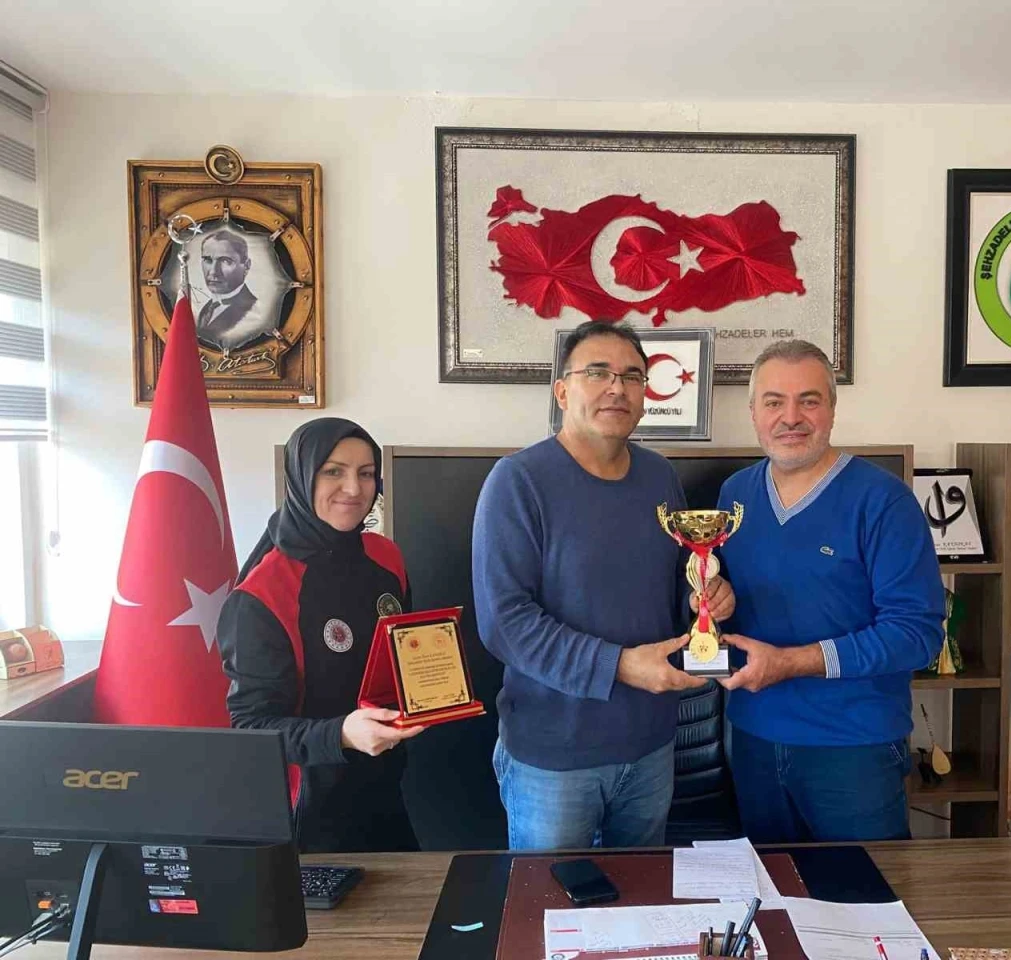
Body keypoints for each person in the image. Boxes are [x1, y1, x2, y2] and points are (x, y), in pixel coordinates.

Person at [472, 320, 732, 851]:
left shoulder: (659, 477)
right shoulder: (517, 481)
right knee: (551, 898)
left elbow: (672, 585)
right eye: (597, 373)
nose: (617, 387)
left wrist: (704, 600)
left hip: (651, 749)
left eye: (632, 376)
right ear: (562, 391)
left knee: (643, 896)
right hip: (554, 759)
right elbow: (505, 622)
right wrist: (620, 666)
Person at [714, 339, 945, 842]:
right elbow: (731, 598)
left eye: (809, 400)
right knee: (771, 887)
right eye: (774, 402)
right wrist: (715, 599)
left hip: (853, 747)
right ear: (753, 413)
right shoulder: (734, 495)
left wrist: (792, 662)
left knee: (865, 889)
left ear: (833, 409)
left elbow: (917, 635)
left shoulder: (883, 501)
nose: (790, 417)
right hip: (752, 738)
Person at [216, 417, 422, 853]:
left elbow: (404, 655)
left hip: (388, 791)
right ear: (301, 476)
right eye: (333, 471)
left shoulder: (386, 557)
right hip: (308, 814)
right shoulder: (263, 593)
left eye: (366, 473)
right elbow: (251, 728)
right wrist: (342, 734)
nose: (353, 488)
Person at [196, 230, 270, 351]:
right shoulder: (207, 308)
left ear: (246, 266)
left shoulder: (254, 312)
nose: (213, 272)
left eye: (225, 261)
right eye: (208, 260)